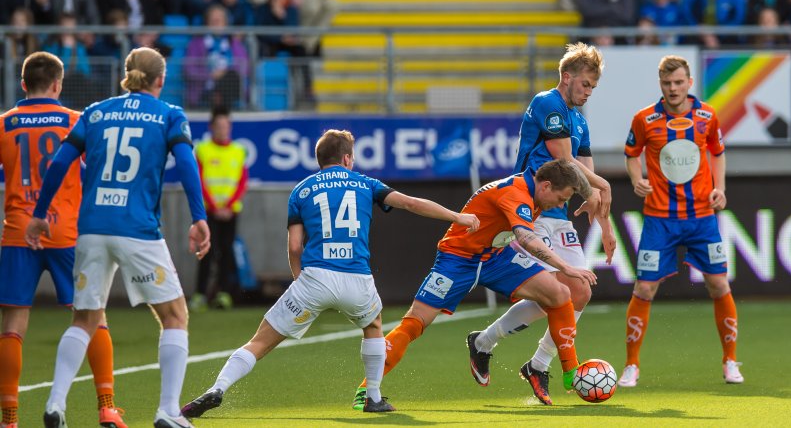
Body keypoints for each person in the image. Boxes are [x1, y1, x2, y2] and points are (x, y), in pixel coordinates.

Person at [180, 129, 480, 417]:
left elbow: (295, 247)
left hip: (315, 278)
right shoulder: (366, 183)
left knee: (259, 342)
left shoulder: (302, 190)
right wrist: (457, 216)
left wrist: (300, 281)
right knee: (374, 325)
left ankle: (217, 388)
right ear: (347, 158)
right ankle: (373, 396)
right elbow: (411, 204)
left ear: (319, 160)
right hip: (357, 280)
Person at [25, 46, 211, 428]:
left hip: (91, 228)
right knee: (174, 316)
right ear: (160, 79)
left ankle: (55, 404)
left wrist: (40, 214)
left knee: (84, 319)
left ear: (126, 74)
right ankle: (168, 412)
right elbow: (187, 163)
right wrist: (198, 216)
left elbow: (61, 161)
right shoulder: (169, 115)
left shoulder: (95, 112)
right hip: (137, 229)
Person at [350, 158, 599, 410]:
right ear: (545, 186)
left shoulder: (537, 185)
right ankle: (365, 391)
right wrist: (565, 266)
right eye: (561, 199)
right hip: (457, 260)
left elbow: (570, 167)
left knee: (559, 293)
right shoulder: (515, 193)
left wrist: (593, 194)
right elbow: (525, 238)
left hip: (496, 256)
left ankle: (570, 372)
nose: (561, 204)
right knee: (415, 323)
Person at [465, 42, 616, 406]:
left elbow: (585, 166)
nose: (588, 92)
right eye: (585, 84)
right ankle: (488, 344)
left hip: (558, 213)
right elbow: (564, 161)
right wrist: (601, 187)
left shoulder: (579, 117)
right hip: (530, 210)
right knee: (555, 291)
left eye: (593, 87)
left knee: (578, 290)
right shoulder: (548, 102)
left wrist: (604, 222)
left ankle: (533, 362)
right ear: (567, 77)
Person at [0, 51, 125, 428]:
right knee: (92, 317)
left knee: (12, 326)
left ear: (23, 84)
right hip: (68, 234)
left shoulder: (4, 124)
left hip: (18, 231)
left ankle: (8, 418)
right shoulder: (76, 121)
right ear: (58, 84)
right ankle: (106, 407)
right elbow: (96, 173)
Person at [619, 55, 742, 387]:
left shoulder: (707, 115)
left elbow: (717, 151)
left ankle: (730, 360)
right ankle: (632, 365)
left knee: (719, 284)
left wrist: (720, 188)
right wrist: (636, 180)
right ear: (661, 85)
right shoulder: (644, 119)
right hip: (660, 219)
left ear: (689, 83)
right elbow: (631, 154)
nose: (672, 89)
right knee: (644, 287)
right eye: (666, 84)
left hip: (702, 217)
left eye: (678, 83)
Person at [190, 106, 249, 312]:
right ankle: (200, 295)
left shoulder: (238, 150)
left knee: (226, 251)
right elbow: (199, 180)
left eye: (226, 126)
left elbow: (242, 181)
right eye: (219, 126)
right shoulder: (203, 149)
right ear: (211, 127)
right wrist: (215, 207)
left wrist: (230, 205)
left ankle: (224, 294)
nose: (223, 129)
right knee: (206, 250)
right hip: (209, 212)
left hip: (231, 211)